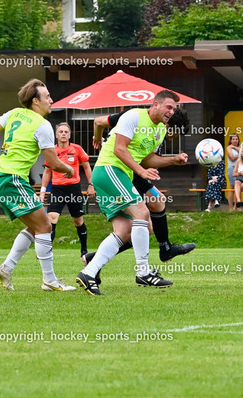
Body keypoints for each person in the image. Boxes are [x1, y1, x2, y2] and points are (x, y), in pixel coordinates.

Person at [76, 90, 187, 296]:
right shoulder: (134, 116)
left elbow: (148, 159)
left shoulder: (160, 130)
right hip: (109, 169)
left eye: (174, 109)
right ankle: (143, 271)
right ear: (155, 104)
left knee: (125, 229)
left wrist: (173, 160)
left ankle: (89, 272)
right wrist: (140, 171)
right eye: (168, 107)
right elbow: (119, 149)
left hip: (119, 174)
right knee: (142, 214)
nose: (171, 112)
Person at [0, 78, 75, 291]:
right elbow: (54, 162)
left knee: (35, 225)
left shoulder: (14, 114)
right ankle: (49, 280)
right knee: (46, 225)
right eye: (47, 96)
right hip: (12, 179)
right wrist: (69, 169)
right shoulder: (43, 125)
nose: (51, 99)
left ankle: (7, 268)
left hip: (3, 178)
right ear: (35, 101)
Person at [85, 107, 195, 265]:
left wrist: (172, 160)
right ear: (169, 124)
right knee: (142, 220)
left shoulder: (155, 128)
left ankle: (164, 248)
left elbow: (99, 122)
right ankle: (158, 255)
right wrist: (98, 140)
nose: (173, 137)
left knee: (150, 214)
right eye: (175, 133)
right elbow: (99, 122)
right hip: (122, 169)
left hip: (130, 169)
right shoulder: (132, 118)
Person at [39, 122, 94, 256]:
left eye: (66, 132)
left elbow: (87, 167)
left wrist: (91, 184)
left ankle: (84, 250)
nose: (63, 134)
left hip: (73, 189)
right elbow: (47, 172)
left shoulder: (77, 149)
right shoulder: (51, 151)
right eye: (61, 132)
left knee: (78, 220)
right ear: (56, 135)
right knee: (51, 217)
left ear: (69, 135)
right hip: (57, 189)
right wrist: (42, 191)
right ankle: (47, 250)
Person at [226, 133, 240, 210]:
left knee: (237, 187)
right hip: (231, 168)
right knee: (232, 187)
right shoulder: (229, 148)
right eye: (233, 139)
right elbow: (232, 157)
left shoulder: (240, 147)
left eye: (236, 139)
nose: (235, 140)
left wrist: (237, 149)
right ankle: (231, 207)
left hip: (239, 169)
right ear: (231, 140)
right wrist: (240, 154)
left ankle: (236, 206)